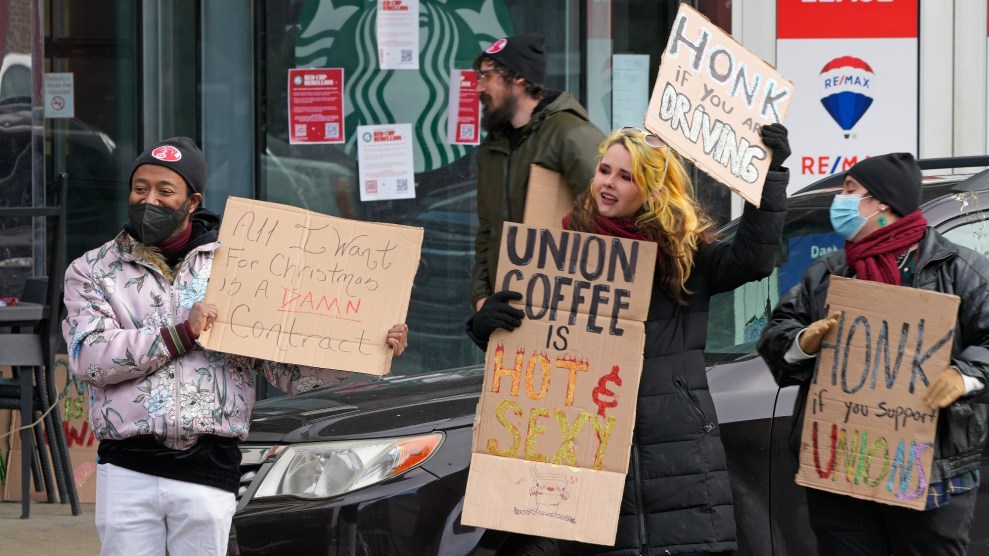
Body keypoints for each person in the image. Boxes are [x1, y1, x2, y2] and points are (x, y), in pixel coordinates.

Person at [61, 137, 409, 556]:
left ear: (192, 202)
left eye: (164, 191)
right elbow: (90, 359)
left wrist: (367, 347)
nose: (148, 200)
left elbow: (286, 371)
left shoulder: (239, 266)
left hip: (210, 469)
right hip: (127, 466)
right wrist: (180, 333)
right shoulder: (92, 270)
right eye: (140, 188)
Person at [469, 124, 792, 554]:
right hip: (591, 462)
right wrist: (483, 325)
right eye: (605, 170)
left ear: (653, 189)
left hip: (678, 460)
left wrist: (768, 175)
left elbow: (753, 258)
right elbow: (528, 354)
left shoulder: (684, 258)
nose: (609, 182)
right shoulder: (562, 257)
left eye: (627, 176)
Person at [756, 153, 989, 556]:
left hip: (930, 474)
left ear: (881, 201)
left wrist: (965, 375)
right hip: (842, 470)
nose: (840, 201)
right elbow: (777, 335)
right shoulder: (828, 275)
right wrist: (802, 342)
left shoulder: (960, 269)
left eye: (850, 190)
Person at [470, 32, 605, 311]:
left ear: (517, 78)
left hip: (561, 306)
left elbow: (607, 223)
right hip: (504, 307)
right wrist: (482, 298)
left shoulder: (571, 134)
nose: (478, 88)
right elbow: (487, 231)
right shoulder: (493, 146)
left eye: (487, 76)